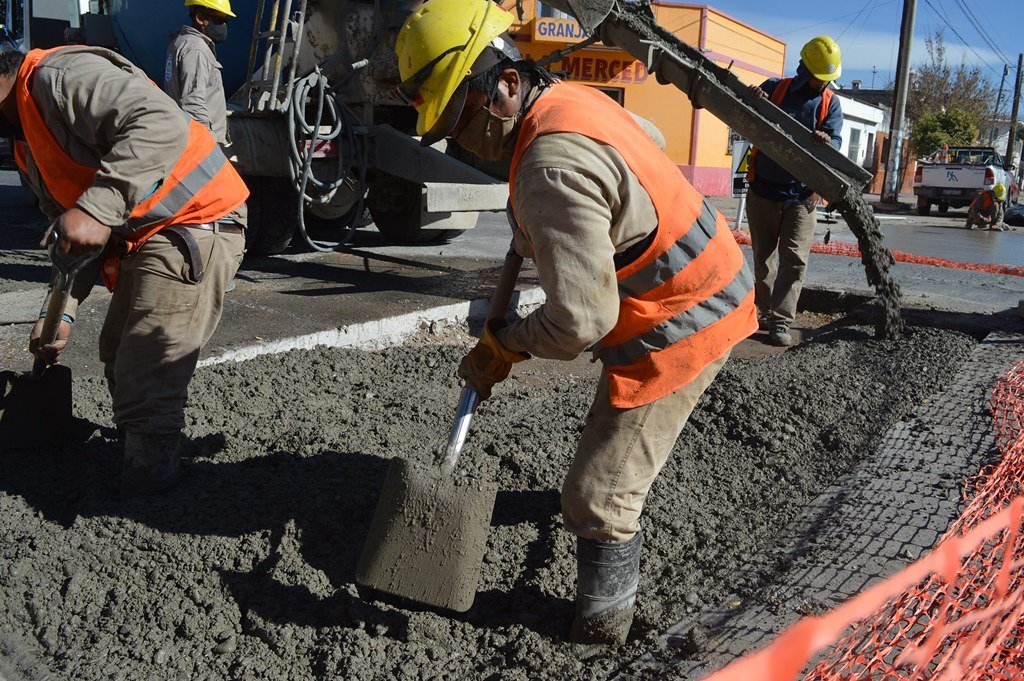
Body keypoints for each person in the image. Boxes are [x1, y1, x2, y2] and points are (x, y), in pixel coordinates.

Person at [396, 0, 756, 645]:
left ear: (505, 84)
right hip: (697, 277)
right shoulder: (566, 102)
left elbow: (581, 320)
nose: (456, 139)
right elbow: (636, 138)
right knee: (601, 451)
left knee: (596, 497)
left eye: (458, 116)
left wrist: (506, 344)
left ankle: (602, 628)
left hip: (684, 316)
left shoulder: (548, 166)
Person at [0, 46, 249, 498]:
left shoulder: (61, 77)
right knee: (116, 351)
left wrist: (99, 207)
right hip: (153, 230)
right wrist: (59, 313)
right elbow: (77, 236)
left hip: (196, 217)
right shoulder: (25, 141)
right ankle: (144, 454)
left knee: (146, 364)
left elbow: (160, 122)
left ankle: (150, 496)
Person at [745, 36, 844, 347]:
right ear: (806, 70)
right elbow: (748, 119)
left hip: (803, 197)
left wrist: (828, 141)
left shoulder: (830, 102)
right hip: (763, 191)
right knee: (763, 258)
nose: (824, 84)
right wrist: (752, 100)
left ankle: (781, 321)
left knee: (795, 261)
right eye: (821, 78)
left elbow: (836, 143)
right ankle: (763, 310)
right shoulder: (775, 88)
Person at [164, 0, 235, 146]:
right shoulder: (196, 48)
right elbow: (193, 102)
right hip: (201, 143)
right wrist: (208, 144)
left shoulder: (181, 42)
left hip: (186, 136)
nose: (223, 26)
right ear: (200, 18)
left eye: (225, 20)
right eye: (219, 20)